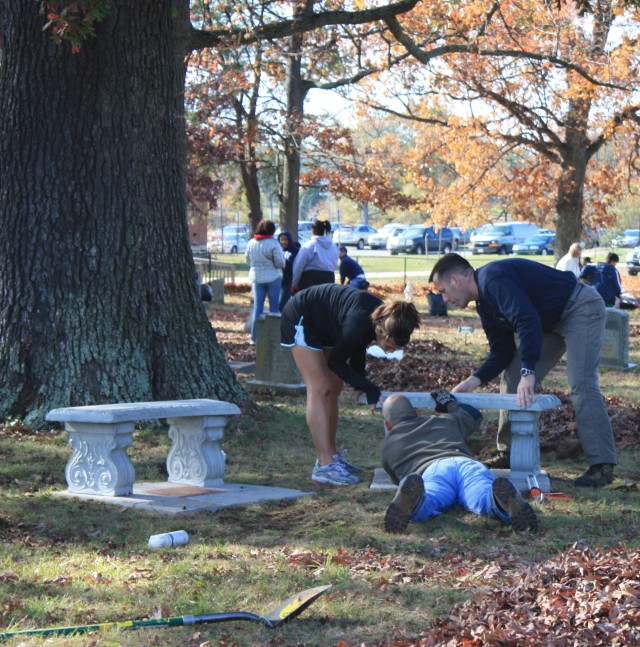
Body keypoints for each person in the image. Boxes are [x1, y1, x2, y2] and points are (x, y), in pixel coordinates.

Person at [429, 253, 617, 488]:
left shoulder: (492, 279)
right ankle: (510, 454)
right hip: (548, 320)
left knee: (581, 383)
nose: (444, 299)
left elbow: (527, 320)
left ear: (456, 280)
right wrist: (473, 381)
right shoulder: (484, 305)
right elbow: (502, 352)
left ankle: (602, 465)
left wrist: (530, 372)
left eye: (443, 290)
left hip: (580, 307)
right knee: (512, 376)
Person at [281, 283, 421, 486]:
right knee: (320, 387)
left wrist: (360, 384)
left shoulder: (381, 320)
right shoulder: (360, 323)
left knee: (335, 387)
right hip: (302, 316)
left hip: (326, 323)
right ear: (381, 333)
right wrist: (368, 387)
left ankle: (332, 456)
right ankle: (324, 465)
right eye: (389, 347)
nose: (390, 352)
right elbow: (336, 361)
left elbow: (356, 348)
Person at [381, 393, 537, 534]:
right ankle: (499, 500)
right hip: (466, 464)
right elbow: (474, 415)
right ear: (416, 413)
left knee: (431, 499)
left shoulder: (388, 447)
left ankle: (414, 503)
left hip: (432, 470)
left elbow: (397, 476)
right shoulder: (443, 421)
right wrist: (450, 405)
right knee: (481, 493)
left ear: (388, 425)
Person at [245, 220, 285, 343]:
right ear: (272, 231)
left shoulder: (251, 243)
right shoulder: (274, 244)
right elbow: (280, 262)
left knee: (258, 308)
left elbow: (247, 260)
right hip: (273, 278)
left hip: (257, 278)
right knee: (274, 309)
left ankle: (254, 337)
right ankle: (272, 337)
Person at [291, 219, 338, 292]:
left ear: (312, 230)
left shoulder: (310, 245)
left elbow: (298, 265)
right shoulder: (334, 246)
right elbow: (334, 264)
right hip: (329, 278)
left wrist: (294, 283)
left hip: (310, 279)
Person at [278, 230, 300, 312]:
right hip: (278, 279)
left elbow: (297, 266)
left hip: (289, 280)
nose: (283, 242)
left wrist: (286, 263)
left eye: (286, 239)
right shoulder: (278, 250)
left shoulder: (295, 251)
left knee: (281, 304)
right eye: (281, 240)